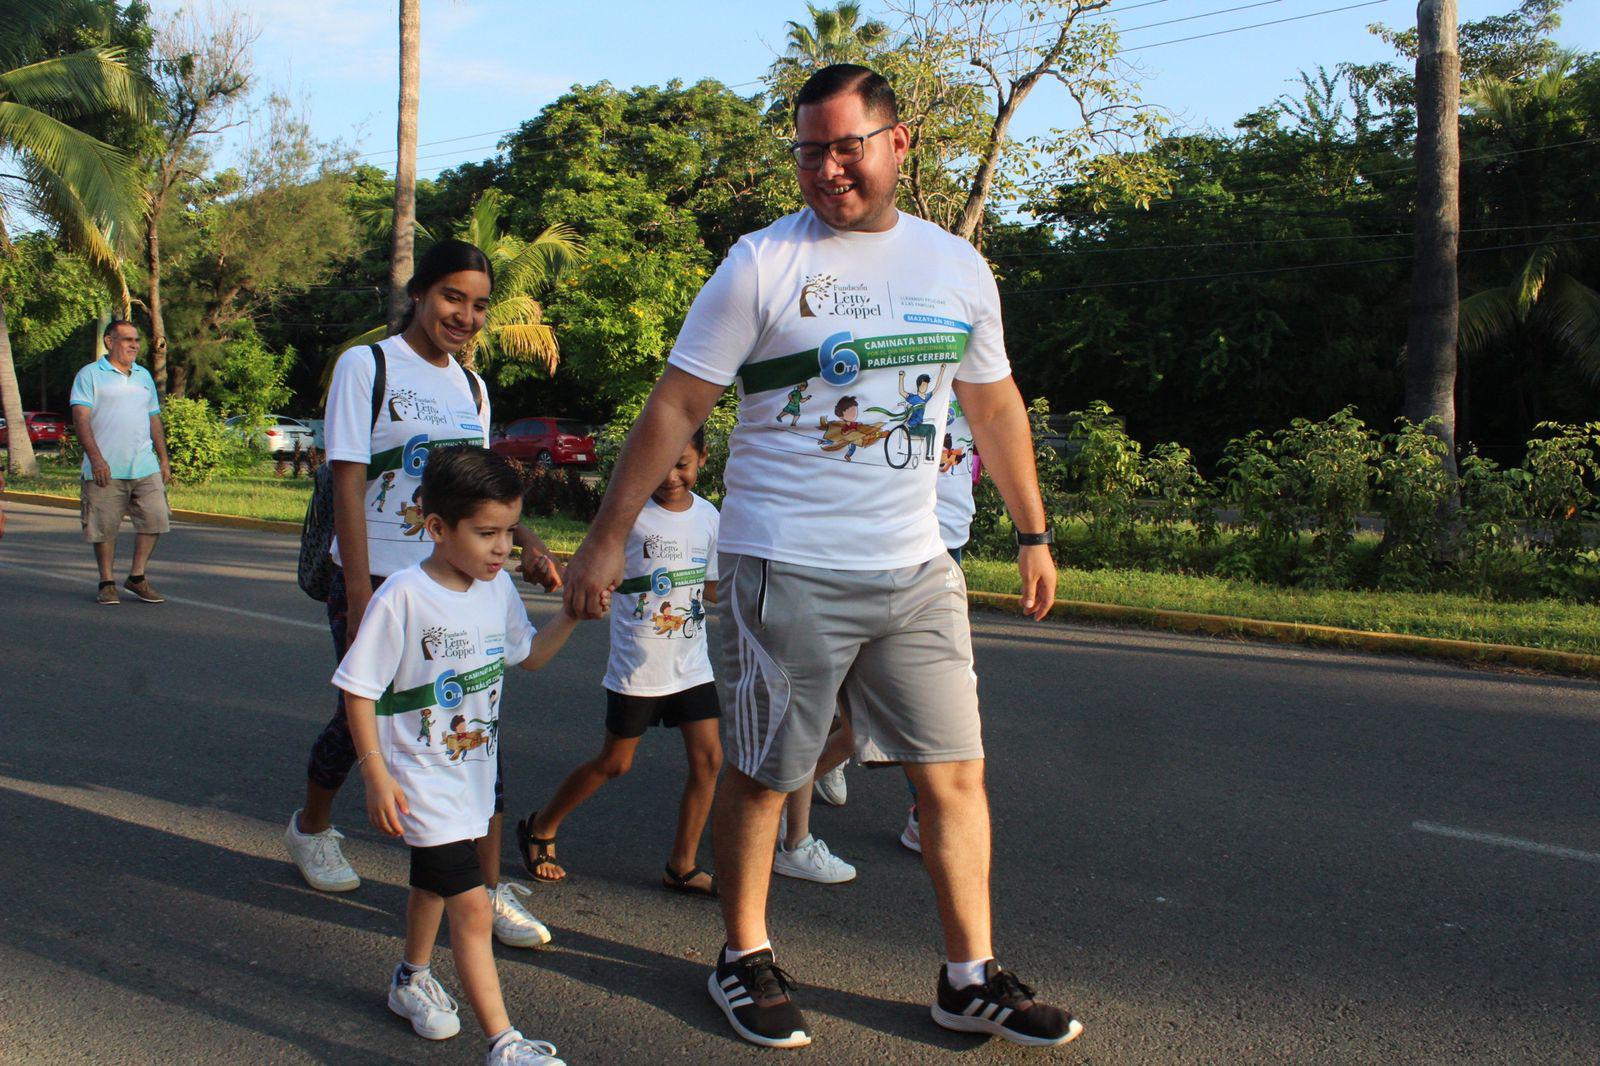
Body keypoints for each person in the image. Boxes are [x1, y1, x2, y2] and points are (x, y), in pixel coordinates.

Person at [560, 63, 1081, 1050]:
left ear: (898, 145)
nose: (827, 168)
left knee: (954, 775)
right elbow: (675, 405)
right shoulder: (762, 263)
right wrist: (606, 534)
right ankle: (743, 954)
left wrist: (1031, 529)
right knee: (764, 772)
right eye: (809, 151)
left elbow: (994, 403)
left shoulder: (956, 267)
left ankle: (968, 977)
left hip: (918, 566)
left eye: (846, 146)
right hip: (784, 564)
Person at [284, 239, 561, 956]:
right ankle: (312, 828)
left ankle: (488, 884)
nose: (464, 316)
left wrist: (524, 541)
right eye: (451, 298)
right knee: (366, 717)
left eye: (477, 305)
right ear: (419, 294)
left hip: (459, 580)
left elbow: (482, 484)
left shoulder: (471, 386)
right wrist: (356, 587)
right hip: (378, 579)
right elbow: (347, 476)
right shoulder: (367, 365)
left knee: (474, 716)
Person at [336, 446, 576, 1066]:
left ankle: (411, 977)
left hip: (471, 775)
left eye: (509, 532)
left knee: (433, 886)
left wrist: (572, 615)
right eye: (487, 533)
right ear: (437, 527)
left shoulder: (495, 593)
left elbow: (530, 656)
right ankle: (505, 1043)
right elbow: (358, 690)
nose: (503, 549)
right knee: (472, 907)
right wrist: (375, 773)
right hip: (419, 780)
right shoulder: (404, 598)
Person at [515, 427, 723, 898]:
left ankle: (682, 865)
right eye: (662, 463)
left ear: (702, 458)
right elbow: (585, 576)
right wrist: (560, 577)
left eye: (683, 464)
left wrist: (756, 589)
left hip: (691, 663)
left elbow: (710, 587)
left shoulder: (710, 516)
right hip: (639, 665)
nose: (670, 476)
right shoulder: (626, 519)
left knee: (710, 760)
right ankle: (541, 826)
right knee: (615, 763)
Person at [902, 396, 981, 853]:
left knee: (937, 683)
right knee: (923, 685)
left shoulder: (975, 379)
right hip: (901, 538)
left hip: (950, 539)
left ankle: (922, 811)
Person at [69, 320, 172, 605]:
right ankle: (107, 582)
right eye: (127, 339)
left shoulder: (143, 376)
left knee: (155, 518)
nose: (134, 345)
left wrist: (163, 459)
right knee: (104, 526)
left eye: (136, 340)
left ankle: (137, 577)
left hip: (144, 464)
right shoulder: (89, 375)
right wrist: (96, 459)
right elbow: (81, 418)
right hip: (105, 466)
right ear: (109, 341)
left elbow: (154, 418)